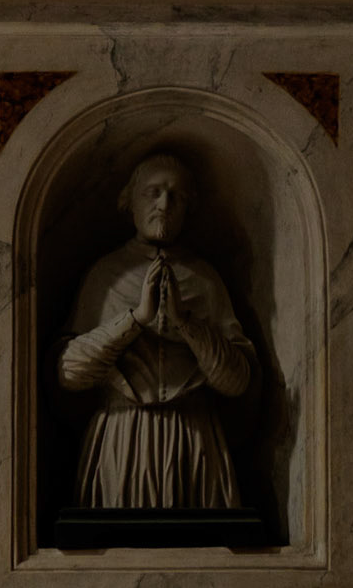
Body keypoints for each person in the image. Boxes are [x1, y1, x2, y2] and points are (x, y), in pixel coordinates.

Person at [56, 153, 254, 510]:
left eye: (176, 197)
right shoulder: (105, 276)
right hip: (123, 434)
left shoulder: (206, 279)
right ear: (129, 201)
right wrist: (136, 318)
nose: (164, 204)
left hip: (194, 439)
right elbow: (69, 373)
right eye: (153, 192)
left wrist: (185, 323)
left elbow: (238, 380)